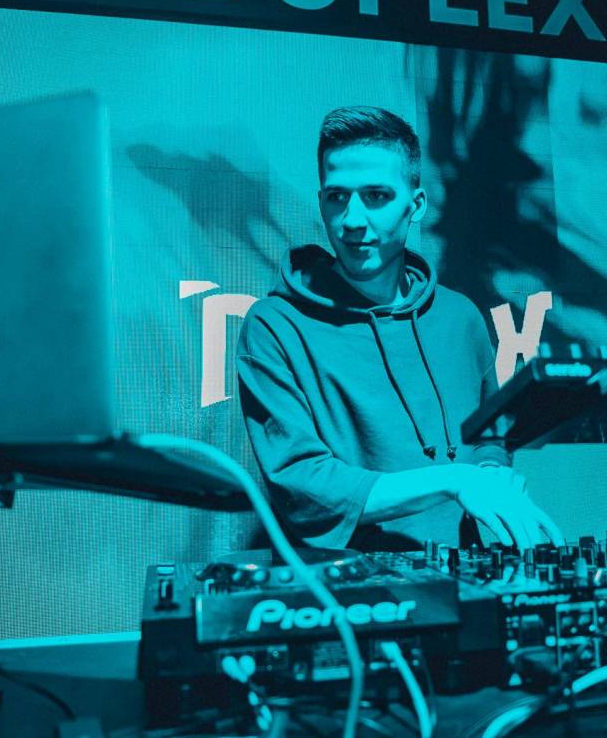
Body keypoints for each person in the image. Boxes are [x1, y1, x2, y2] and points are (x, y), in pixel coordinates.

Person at [237, 106, 563, 551]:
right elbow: (304, 485)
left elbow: (489, 436)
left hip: (461, 576)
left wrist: (488, 472)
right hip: (338, 585)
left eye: (376, 196)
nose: (352, 220)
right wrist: (452, 480)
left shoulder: (460, 317)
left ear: (416, 205)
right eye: (337, 197)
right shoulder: (273, 326)